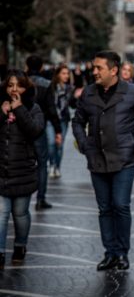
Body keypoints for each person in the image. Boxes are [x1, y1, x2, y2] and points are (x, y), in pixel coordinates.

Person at [72, 50, 134, 271]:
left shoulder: (132, 92)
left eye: (99, 68)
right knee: (104, 208)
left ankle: (122, 254)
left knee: (120, 205)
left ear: (113, 70)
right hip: (97, 158)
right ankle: (110, 253)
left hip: (124, 160)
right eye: (94, 67)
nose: (94, 72)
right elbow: (77, 121)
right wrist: (84, 143)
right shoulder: (88, 93)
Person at [0, 69, 44, 269]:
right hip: (2, 170)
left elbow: (35, 131)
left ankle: (20, 245)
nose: (14, 89)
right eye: (10, 85)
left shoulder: (33, 108)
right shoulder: (0, 106)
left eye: (18, 85)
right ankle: (0, 252)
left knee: (20, 213)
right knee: (1, 213)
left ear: (26, 88)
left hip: (23, 171)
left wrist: (19, 109)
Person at [26, 54, 62, 210]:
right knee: (42, 164)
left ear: (27, 66)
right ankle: (41, 198)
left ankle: (23, 198)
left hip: (21, 129)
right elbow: (51, 109)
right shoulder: (46, 85)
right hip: (40, 128)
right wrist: (58, 129)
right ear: (41, 67)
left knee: (22, 164)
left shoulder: (19, 83)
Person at [47, 64, 73, 178]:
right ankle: (51, 164)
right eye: (63, 73)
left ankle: (57, 167)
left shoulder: (69, 88)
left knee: (60, 145)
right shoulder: (51, 87)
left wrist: (76, 97)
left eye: (67, 73)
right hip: (51, 119)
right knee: (51, 143)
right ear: (57, 74)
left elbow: (72, 105)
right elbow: (49, 104)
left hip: (63, 120)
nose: (66, 76)